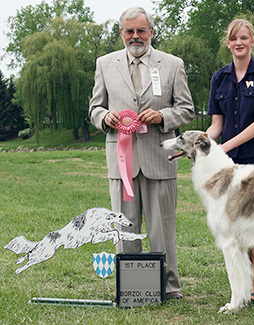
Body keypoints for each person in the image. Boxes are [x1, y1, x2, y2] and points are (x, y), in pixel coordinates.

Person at [89, 7, 195, 299]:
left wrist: (162, 117)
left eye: (141, 30)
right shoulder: (104, 64)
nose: (135, 37)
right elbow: (95, 107)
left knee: (162, 228)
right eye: (129, 31)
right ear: (121, 33)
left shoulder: (173, 64)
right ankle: (133, 287)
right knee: (125, 227)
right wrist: (104, 118)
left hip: (160, 159)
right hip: (121, 162)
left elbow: (186, 109)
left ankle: (169, 286)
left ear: (151, 31)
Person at [206, 19, 254, 303]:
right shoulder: (219, 79)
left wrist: (223, 146)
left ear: (252, 42)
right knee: (235, 225)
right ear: (228, 43)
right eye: (234, 38)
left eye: (244, 38)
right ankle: (241, 284)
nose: (239, 43)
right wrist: (204, 143)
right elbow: (215, 125)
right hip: (228, 164)